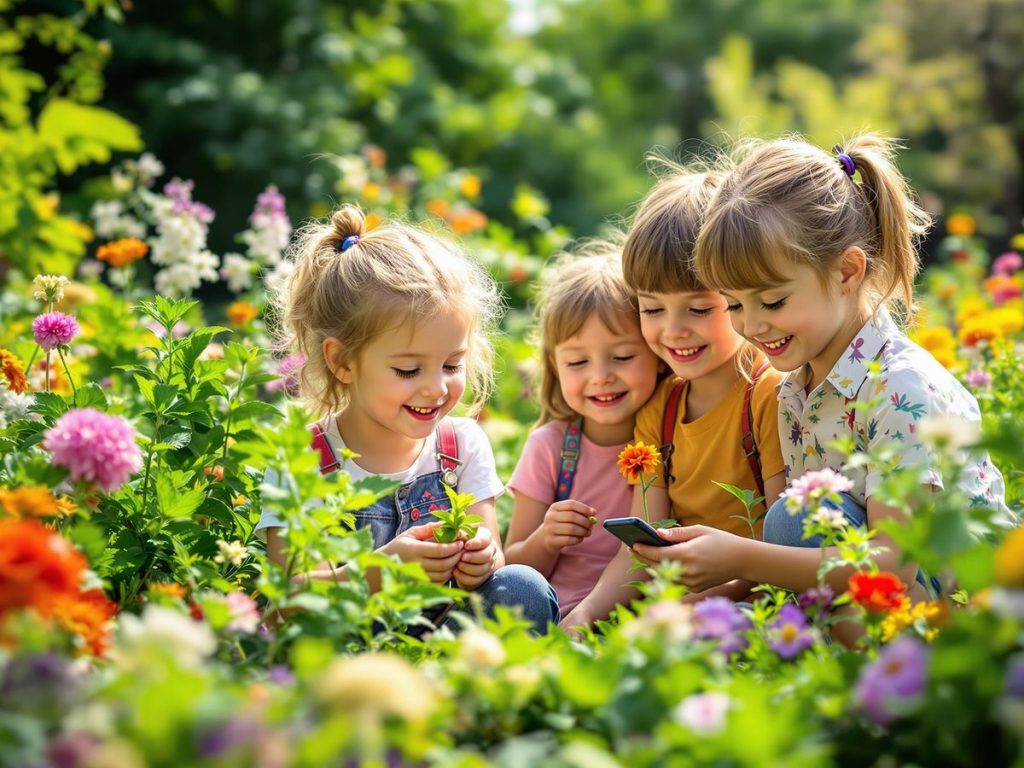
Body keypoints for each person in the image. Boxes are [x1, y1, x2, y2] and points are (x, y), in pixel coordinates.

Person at [634, 134, 1009, 615]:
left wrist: (742, 557)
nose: (751, 326)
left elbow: (893, 566)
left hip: (969, 609)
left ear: (847, 272)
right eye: (734, 305)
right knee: (794, 521)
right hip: (880, 600)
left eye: (772, 302)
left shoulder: (901, 388)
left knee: (794, 521)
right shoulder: (798, 387)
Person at [257, 205, 559, 633]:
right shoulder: (302, 459)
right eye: (408, 370)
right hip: (350, 642)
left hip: (447, 637)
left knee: (523, 587)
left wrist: (480, 557)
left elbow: (491, 563)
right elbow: (288, 604)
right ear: (342, 362)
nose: (436, 388)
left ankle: (455, 674)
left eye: (452, 365)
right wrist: (378, 572)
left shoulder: (460, 445)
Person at [560, 164, 787, 632]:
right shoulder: (659, 409)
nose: (673, 329)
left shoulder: (767, 394)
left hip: (761, 604)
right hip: (679, 605)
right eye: (652, 308)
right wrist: (585, 613)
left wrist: (699, 605)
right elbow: (643, 545)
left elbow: (781, 542)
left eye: (699, 308)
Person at [504, 241, 663, 615]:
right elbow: (513, 565)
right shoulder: (550, 447)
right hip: (552, 611)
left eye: (622, 356)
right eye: (577, 362)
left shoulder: (670, 438)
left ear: (657, 353)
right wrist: (546, 539)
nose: (601, 376)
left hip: (636, 613)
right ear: (554, 366)